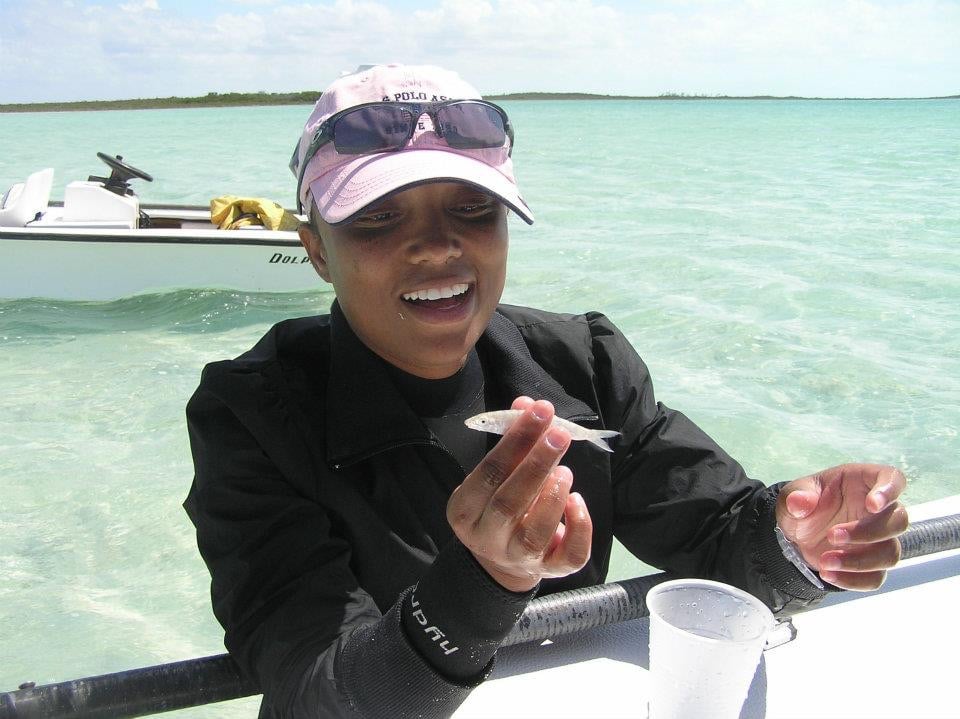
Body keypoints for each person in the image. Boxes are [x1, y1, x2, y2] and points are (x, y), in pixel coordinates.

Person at [184, 64, 908, 718]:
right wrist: (483, 582)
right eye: (378, 217)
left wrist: (800, 538)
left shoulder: (583, 363)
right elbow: (313, 692)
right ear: (315, 251)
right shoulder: (252, 419)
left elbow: (717, 533)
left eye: (473, 210)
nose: (439, 246)